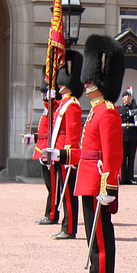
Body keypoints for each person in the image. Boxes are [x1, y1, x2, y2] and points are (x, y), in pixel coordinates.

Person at [41, 34, 125, 273]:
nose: (86, 82)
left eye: (91, 78)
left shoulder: (108, 111)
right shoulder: (96, 110)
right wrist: (61, 154)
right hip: (87, 178)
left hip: (98, 182)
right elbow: (86, 152)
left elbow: (112, 155)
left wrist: (109, 187)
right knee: (93, 232)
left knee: (99, 235)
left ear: (101, 81)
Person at [50, 49, 84, 240]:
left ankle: (69, 227)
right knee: (62, 189)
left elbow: (72, 134)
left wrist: (70, 157)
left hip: (65, 153)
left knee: (68, 193)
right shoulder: (63, 103)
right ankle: (65, 223)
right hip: (58, 150)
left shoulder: (72, 105)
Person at [24, 70, 60, 225]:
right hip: (43, 151)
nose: (44, 96)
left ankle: (51, 214)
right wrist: (34, 137)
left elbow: (53, 133)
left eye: (46, 94)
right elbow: (44, 132)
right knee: (49, 186)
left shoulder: (56, 109)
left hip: (49, 152)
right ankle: (49, 212)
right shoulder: (48, 110)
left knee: (52, 186)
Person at [118, 86, 137, 185]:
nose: (127, 98)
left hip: (132, 135)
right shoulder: (119, 109)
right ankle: (123, 177)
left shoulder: (135, 108)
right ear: (123, 97)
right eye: (126, 96)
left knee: (131, 157)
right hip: (123, 135)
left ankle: (130, 178)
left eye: (129, 96)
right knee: (122, 158)